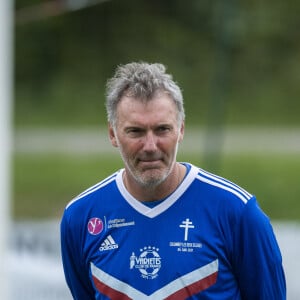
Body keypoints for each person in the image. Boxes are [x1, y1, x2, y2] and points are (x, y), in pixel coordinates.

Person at [60, 62, 286, 299]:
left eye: (162, 130)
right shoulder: (80, 217)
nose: (150, 146)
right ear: (112, 134)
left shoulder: (237, 212)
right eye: (135, 131)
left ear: (181, 130)